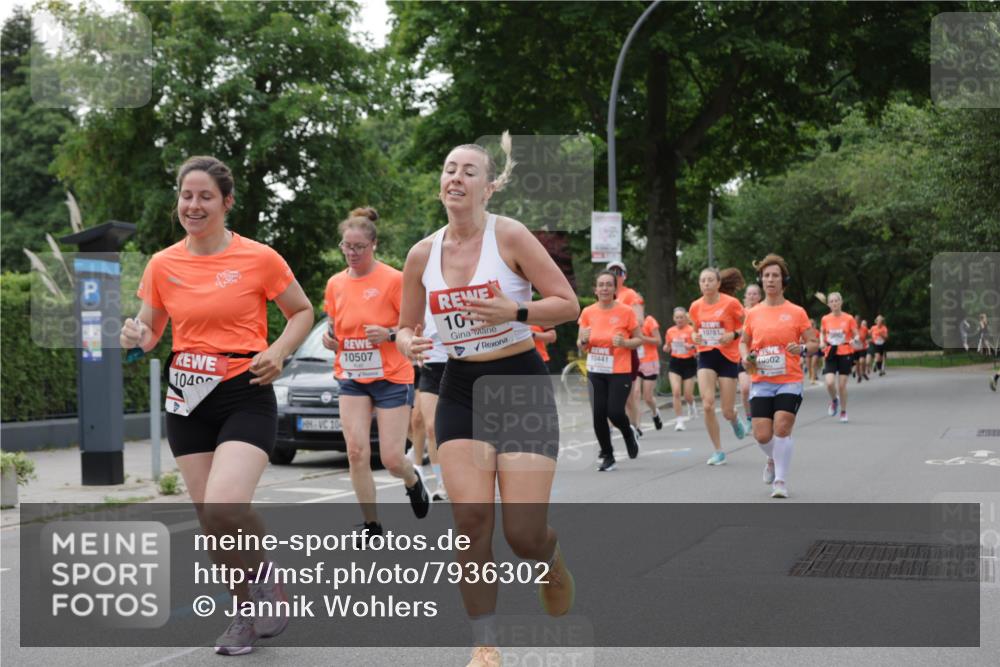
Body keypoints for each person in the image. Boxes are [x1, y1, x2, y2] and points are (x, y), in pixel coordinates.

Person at [394, 132, 580, 667]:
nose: (455, 177)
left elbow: (566, 304)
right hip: (459, 387)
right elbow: (404, 328)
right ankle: (485, 642)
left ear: (489, 187)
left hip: (519, 383)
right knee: (472, 519)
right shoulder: (421, 254)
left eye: (468, 171)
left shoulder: (512, 237)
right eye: (449, 169)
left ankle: (550, 559)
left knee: (522, 533)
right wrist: (411, 342)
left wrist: (515, 314)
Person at [121, 156, 314, 655]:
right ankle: (244, 616)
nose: (194, 205)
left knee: (227, 505)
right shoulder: (163, 264)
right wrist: (134, 334)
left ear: (226, 203)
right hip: (187, 397)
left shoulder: (259, 258)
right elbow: (151, 332)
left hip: (243, 390)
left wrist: (278, 350)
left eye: (206, 196)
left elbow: (301, 311)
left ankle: (265, 574)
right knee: (212, 521)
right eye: (187, 195)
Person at [321, 207, 429, 541]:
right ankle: (371, 525)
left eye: (359, 247)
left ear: (374, 245)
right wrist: (330, 339)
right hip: (352, 376)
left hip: (391, 376)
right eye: (346, 246)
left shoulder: (394, 280)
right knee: (355, 451)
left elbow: (415, 325)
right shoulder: (335, 283)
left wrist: (390, 334)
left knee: (393, 458)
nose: (352, 253)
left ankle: (412, 480)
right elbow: (333, 327)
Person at [741, 254, 817, 498]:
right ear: (761, 280)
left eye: (775, 275)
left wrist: (803, 348)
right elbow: (744, 342)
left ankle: (781, 482)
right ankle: (772, 459)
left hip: (789, 379)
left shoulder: (796, 312)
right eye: (766, 276)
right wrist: (745, 357)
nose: (770, 279)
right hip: (761, 380)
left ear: (783, 280)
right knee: (762, 434)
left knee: (782, 427)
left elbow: (814, 342)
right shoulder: (753, 313)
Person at [578, 270, 643, 470]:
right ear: (595, 289)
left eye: (608, 284)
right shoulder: (588, 312)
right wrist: (583, 341)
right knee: (598, 414)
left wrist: (624, 342)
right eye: (601, 285)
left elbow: (639, 339)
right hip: (596, 369)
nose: (605, 288)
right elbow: (580, 344)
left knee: (614, 412)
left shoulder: (626, 311)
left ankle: (628, 433)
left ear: (615, 288)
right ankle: (608, 455)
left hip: (619, 369)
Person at [689, 267, 747, 465]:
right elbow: (694, 330)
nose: (706, 284)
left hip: (728, 356)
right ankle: (718, 451)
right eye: (702, 280)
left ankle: (734, 419)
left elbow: (748, 325)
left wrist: (734, 335)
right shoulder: (695, 306)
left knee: (727, 410)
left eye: (710, 280)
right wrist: (694, 336)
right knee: (707, 404)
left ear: (718, 283)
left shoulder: (731, 303)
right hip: (706, 355)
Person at [607, 260, 645, 439]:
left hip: (626, 350)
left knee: (629, 395)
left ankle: (634, 428)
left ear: (624, 276)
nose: (615, 275)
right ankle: (607, 429)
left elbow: (639, 320)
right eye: (611, 271)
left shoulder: (630, 295)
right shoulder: (603, 295)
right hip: (605, 352)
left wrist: (621, 326)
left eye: (619, 272)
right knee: (605, 393)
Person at [820, 292, 859, 423]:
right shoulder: (825, 318)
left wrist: (855, 339)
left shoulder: (849, 318)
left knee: (842, 385)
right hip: (831, 352)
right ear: (829, 304)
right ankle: (834, 400)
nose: (835, 303)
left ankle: (843, 411)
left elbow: (856, 334)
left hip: (845, 352)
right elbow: (822, 332)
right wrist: (821, 341)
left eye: (837, 300)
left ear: (841, 302)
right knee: (830, 382)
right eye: (832, 301)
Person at [663, 307, 697, 431]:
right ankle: (679, 421)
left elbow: (698, 348)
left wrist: (691, 346)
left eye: (681, 317)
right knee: (676, 392)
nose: (679, 320)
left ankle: (691, 404)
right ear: (674, 318)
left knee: (687, 395)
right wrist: (666, 348)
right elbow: (667, 346)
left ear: (686, 318)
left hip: (689, 363)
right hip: (675, 362)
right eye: (677, 317)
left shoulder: (691, 330)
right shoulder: (670, 331)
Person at [738, 281, 762, 433]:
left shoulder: (763, 311)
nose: (752, 296)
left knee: (758, 389)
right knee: (745, 388)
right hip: (743, 355)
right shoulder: (740, 313)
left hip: (760, 356)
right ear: (745, 296)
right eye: (749, 293)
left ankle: (761, 418)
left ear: (759, 296)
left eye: (755, 293)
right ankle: (748, 418)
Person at [637, 312, 664, 430]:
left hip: (650, 361)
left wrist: (642, 338)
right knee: (635, 394)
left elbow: (658, 341)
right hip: (635, 362)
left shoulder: (649, 321)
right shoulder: (628, 321)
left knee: (647, 397)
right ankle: (637, 426)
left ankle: (655, 412)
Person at [805, 318, 822, 384]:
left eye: (812, 324)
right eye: (810, 323)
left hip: (815, 349)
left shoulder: (816, 331)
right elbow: (802, 340)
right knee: (808, 365)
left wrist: (813, 341)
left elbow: (819, 340)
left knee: (813, 364)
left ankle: (813, 378)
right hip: (807, 350)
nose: (811, 325)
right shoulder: (805, 331)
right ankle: (811, 375)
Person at [854, 316, 870, 382]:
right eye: (856, 321)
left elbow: (869, 336)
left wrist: (867, 341)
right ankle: (859, 376)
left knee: (862, 361)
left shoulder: (864, 329)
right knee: (857, 363)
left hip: (862, 348)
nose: (857, 322)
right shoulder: (852, 329)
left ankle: (863, 372)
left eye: (858, 321)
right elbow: (848, 338)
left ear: (860, 321)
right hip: (855, 349)